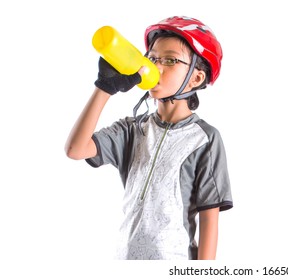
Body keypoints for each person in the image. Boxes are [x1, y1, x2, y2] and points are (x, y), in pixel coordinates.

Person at [65, 16, 233, 260]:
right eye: (152, 59)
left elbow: (209, 219)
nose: (157, 67)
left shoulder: (204, 139)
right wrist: (104, 88)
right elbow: (75, 149)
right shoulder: (133, 129)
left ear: (196, 78)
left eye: (170, 60)